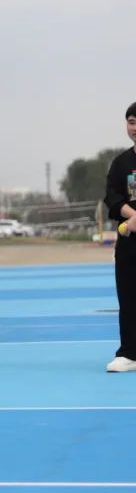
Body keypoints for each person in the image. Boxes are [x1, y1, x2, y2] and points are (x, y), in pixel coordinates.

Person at [105, 102, 136, 372]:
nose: (135, 127)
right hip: (129, 242)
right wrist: (132, 217)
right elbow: (112, 198)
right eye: (131, 121)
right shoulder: (120, 163)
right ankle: (129, 354)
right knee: (128, 298)